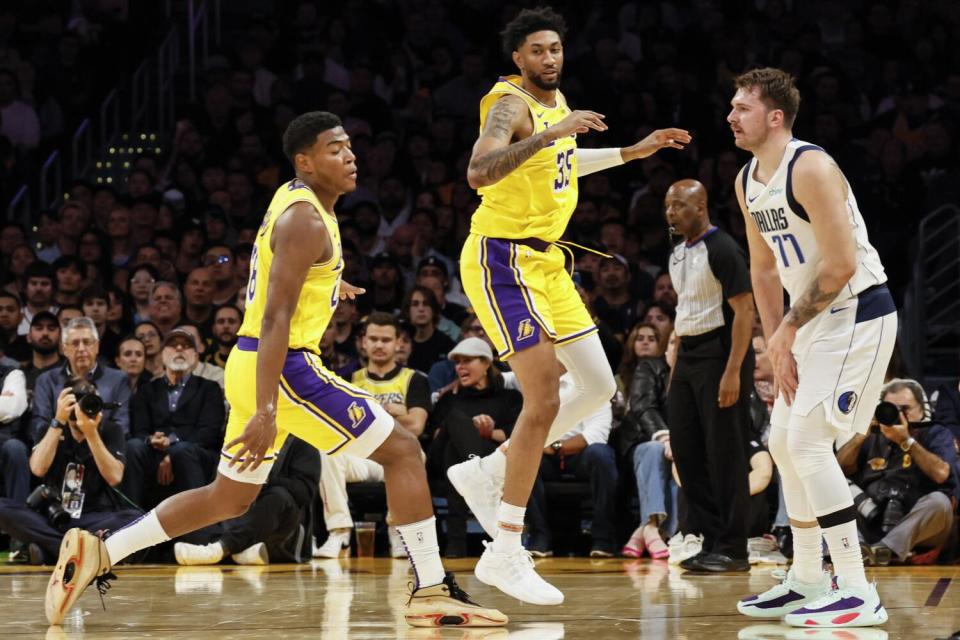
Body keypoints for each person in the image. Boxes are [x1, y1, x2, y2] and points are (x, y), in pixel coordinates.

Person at [45, 112, 506, 628]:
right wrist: (266, 408)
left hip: (257, 364)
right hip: (284, 368)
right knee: (403, 450)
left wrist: (332, 285)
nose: (351, 155)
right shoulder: (306, 220)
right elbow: (275, 317)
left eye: (350, 146)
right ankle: (430, 588)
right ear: (305, 162)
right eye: (336, 149)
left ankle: (102, 551)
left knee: (229, 496)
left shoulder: (297, 200)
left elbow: (280, 279)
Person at [449, 6, 689, 605]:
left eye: (555, 48)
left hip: (547, 263)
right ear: (518, 58)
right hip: (501, 260)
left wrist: (631, 153)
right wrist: (554, 132)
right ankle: (504, 547)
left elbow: (556, 162)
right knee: (547, 394)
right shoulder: (508, 103)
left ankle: (488, 471)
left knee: (599, 386)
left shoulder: (557, 103)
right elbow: (480, 170)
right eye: (537, 50)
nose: (550, 58)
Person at [731, 68, 896, 628]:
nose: (730, 117)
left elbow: (842, 264)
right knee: (780, 439)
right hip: (810, 322)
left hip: (857, 312)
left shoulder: (813, 167)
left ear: (775, 117)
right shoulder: (746, 179)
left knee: (806, 441)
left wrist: (789, 330)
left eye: (742, 108)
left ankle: (856, 587)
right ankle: (805, 577)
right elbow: (761, 266)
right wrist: (776, 342)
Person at [664, 178, 756, 573]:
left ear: (700, 207)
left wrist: (733, 371)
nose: (670, 213)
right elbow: (686, 309)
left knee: (725, 453)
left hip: (722, 354)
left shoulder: (723, 248)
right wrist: (676, 370)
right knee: (686, 451)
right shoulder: (676, 252)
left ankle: (735, 547)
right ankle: (710, 538)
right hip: (688, 356)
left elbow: (745, 312)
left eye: (679, 206)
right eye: (668, 206)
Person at [314, 312, 430, 559]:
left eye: (386, 340)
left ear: (398, 342)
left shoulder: (414, 380)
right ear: (363, 342)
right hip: (362, 457)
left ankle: (399, 531)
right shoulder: (347, 379)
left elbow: (417, 425)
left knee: (415, 454)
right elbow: (338, 427)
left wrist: (370, 416)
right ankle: (339, 533)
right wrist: (392, 415)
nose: (379, 345)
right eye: (373, 339)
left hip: (397, 457)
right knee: (326, 451)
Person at [0, 382, 142, 565]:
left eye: (87, 403)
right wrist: (58, 421)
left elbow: (114, 477)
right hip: (55, 516)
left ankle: (53, 550)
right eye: (74, 404)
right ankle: (83, 550)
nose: (80, 410)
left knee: (136, 519)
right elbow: (37, 469)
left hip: (96, 516)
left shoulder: (111, 430)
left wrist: (91, 434)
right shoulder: (49, 429)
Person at [837, 379, 956, 566]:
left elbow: (941, 473)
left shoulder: (935, 432)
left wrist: (907, 440)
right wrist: (861, 434)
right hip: (872, 516)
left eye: (905, 409)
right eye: (891, 408)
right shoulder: (873, 435)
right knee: (827, 484)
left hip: (918, 525)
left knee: (940, 503)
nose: (899, 415)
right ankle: (861, 548)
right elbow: (838, 469)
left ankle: (884, 549)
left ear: (921, 410)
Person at [431, 338, 522, 557]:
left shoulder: (509, 398)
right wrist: (468, 427)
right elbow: (435, 435)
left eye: (468, 361)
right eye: (457, 362)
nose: (460, 367)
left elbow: (515, 437)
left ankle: (456, 541)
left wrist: (489, 432)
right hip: (439, 461)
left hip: (489, 459)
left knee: (455, 454)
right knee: (455, 421)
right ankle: (476, 471)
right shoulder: (449, 399)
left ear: (486, 364)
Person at [174, 436, 321, 566]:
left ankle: (221, 548)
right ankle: (237, 551)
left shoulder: (303, 439)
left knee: (278, 497)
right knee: (205, 500)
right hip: (237, 513)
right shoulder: (244, 432)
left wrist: (264, 479)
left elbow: (305, 491)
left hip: (278, 523)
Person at [124, 329, 226, 508]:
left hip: (195, 452)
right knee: (133, 447)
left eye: (186, 346)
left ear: (195, 356)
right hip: (155, 452)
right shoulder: (147, 390)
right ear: (162, 355)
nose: (179, 348)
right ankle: (130, 515)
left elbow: (209, 433)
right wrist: (151, 440)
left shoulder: (209, 389)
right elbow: (139, 430)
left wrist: (171, 446)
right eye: (173, 345)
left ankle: (198, 524)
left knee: (182, 451)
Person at [616, 323, 674, 559]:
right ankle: (653, 525)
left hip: (678, 445)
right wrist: (664, 437)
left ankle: (646, 532)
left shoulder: (697, 373)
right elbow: (643, 406)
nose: (677, 348)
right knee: (653, 450)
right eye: (672, 343)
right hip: (640, 441)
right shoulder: (650, 367)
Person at [32, 318, 131, 442]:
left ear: (97, 346)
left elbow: (122, 426)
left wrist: (90, 437)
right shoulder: (46, 380)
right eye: (74, 343)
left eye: (87, 342)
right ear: (64, 349)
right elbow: (39, 426)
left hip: (104, 447)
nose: (81, 349)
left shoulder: (118, 379)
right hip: (60, 448)